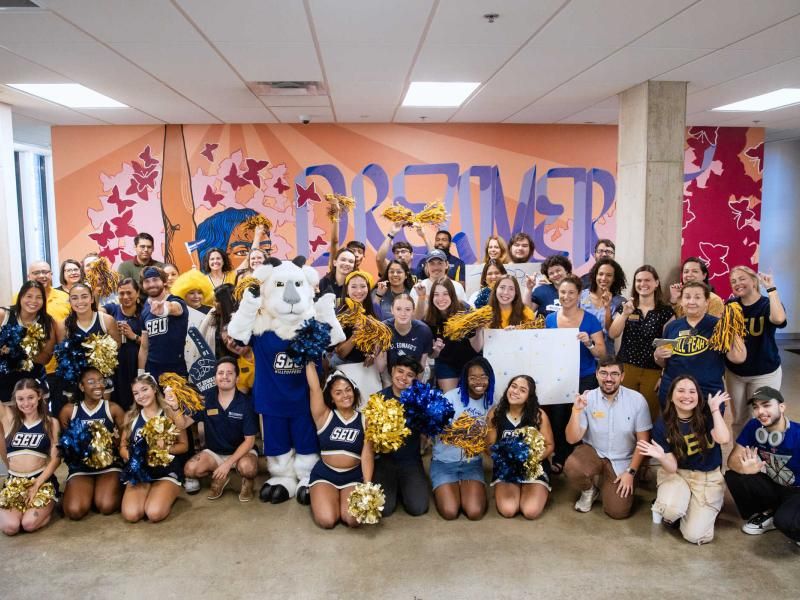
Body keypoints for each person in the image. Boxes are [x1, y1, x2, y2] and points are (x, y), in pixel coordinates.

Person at [638, 376, 729, 544]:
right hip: (678, 475)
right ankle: (675, 506)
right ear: (671, 397)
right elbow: (671, 467)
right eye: (680, 391)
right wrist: (660, 456)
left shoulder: (708, 415)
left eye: (692, 391)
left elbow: (723, 439)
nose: (687, 396)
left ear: (698, 396)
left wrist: (716, 410)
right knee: (671, 511)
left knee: (695, 536)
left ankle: (700, 507)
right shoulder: (662, 425)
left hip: (707, 478)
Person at [564, 359, 651, 519]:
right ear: (597, 374)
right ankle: (590, 490)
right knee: (573, 466)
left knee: (617, 512)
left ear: (622, 376)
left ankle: (610, 483)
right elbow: (571, 439)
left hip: (623, 460)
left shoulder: (637, 400)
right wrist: (576, 411)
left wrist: (630, 473)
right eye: (603, 373)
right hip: (594, 453)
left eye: (614, 374)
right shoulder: (587, 399)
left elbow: (643, 442)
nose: (608, 378)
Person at [167, 358, 258, 502]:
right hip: (215, 453)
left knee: (248, 468)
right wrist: (174, 407)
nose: (225, 376)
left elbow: (250, 441)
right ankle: (219, 477)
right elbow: (183, 424)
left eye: (229, 373)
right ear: (215, 378)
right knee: (190, 470)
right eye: (220, 373)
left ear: (237, 378)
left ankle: (247, 481)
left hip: (241, 453)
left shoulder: (246, 403)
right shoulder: (206, 400)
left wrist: (228, 464)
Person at [545, 275, 606, 472]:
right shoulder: (550, 319)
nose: (567, 296)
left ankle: (582, 460)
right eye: (563, 292)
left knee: (583, 418)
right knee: (558, 418)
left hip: (585, 377)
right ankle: (560, 456)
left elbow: (602, 352)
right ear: (558, 293)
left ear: (580, 295)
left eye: (571, 292)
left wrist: (588, 343)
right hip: (559, 378)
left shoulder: (590, 320)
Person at [724, 387, 800, 545]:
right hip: (775, 485)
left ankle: (783, 516)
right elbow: (732, 461)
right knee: (735, 476)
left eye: (766, 405)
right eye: (756, 407)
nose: (760, 412)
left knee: (786, 523)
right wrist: (745, 468)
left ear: (781, 407)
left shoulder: (798, 435)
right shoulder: (754, 427)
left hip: (797, 491)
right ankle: (769, 513)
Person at [655, 281, 746, 407]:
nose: (691, 301)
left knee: (708, 426)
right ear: (681, 301)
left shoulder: (719, 326)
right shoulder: (671, 327)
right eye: (687, 297)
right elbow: (663, 362)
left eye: (697, 297)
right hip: (674, 390)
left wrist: (732, 327)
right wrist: (658, 355)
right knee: (673, 426)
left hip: (708, 392)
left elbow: (738, 358)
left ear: (707, 302)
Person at [305, 363, 374, 528]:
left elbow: (367, 455)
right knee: (327, 521)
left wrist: (367, 486)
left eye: (348, 390)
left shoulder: (366, 419)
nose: (345, 395)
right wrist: (307, 355)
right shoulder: (323, 415)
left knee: (353, 520)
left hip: (353, 477)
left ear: (354, 390)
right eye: (338, 392)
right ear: (331, 397)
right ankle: (321, 494)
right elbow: (314, 388)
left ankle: (337, 498)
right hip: (325, 476)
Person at [725, 267, 787, 434]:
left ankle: (764, 456)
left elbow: (779, 319)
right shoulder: (731, 306)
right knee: (739, 419)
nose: (737, 283)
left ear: (754, 281)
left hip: (765, 372)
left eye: (742, 279)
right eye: (733, 281)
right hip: (735, 373)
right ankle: (741, 456)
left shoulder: (767, 304)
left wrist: (771, 288)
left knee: (764, 417)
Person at [608, 265, 674, 422]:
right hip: (627, 367)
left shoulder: (666, 312)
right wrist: (625, 314)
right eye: (638, 280)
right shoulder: (626, 307)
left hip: (653, 370)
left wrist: (664, 375)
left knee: (649, 415)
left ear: (656, 283)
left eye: (647, 280)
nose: (642, 284)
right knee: (624, 413)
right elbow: (613, 333)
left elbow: (669, 346)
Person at [120, 374, 189, 523]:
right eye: (136, 393)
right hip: (140, 474)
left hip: (166, 471)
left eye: (144, 389)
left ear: (154, 389)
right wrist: (134, 457)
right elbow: (122, 447)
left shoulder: (169, 412)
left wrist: (162, 451)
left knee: (154, 513)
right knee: (131, 515)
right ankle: (148, 493)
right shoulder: (131, 416)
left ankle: (167, 491)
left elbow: (184, 446)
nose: (141, 396)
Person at [58, 367, 125, 520]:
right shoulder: (69, 411)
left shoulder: (113, 409)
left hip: (109, 467)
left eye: (101, 381)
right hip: (81, 468)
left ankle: (103, 491)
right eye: (91, 382)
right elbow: (64, 445)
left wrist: (113, 441)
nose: (98, 385)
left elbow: (124, 441)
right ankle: (79, 494)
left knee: (106, 506)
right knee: (74, 511)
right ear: (81, 387)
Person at [433, 357, 495, 520]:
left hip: (471, 464)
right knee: (450, 512)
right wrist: (463, 432)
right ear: (465, 379)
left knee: (474, 512)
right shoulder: (450, 398)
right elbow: (435, 431)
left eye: (483, 376)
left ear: (490, 378)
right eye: (472, 377)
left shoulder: (492, 403)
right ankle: (451, 486)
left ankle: (465, 488)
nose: (478, 382)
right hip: (444, 463)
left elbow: (491, 440)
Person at [488, 375, 554, 520]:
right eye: (513, 386)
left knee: (530, 511)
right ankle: (510, 489)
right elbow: (490, 446)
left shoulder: (538, 415)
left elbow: (549, 445)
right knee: (508, 510)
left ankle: (537, 490)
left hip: (533, 468)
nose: (516, 391)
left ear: (529, 397)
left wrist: (528, 460)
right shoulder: (495, 413)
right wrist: (504, 457)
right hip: (507, 470)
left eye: (522, 390)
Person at [0, 379, 61, 536]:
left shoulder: (51, 423)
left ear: (39, 396)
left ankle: (49, 505)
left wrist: (36, 485)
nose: (26, 403)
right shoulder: (9, 419)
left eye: (30, 397)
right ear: (15, 399)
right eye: (21, 399)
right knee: (11, 527)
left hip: (40, 481)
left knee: (28, 524)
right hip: (14, 483)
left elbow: (56, 459)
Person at [373, 356, 428, 516]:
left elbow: (428, 432)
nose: (403, 378)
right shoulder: (378, 399)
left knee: (418, 508)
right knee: (384, 510)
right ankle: (395, 487)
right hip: (385, 462)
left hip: (410, 462)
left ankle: (406, 486)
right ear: (392, 371)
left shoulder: (420, 401)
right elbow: (369, 441)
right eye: (400, 371)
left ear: (415, 379)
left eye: (410, 375)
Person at [25, 261, 70, 414]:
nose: (42, 276)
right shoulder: (20, 298)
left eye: (45, 272)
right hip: (33, 368)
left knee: (61, 411)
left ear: (51, 274)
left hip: (60, 367)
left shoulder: (65, 297)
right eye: (37, 273)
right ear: (28, 276)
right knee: (37, 413)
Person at [0, 281, 55, 404]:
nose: (33, 301)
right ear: (20, 297)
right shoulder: (4, 315)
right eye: (29, 296)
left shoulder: (47, 322)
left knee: (37, 421)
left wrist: (22, 349)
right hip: (4, 383)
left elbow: (45, 358)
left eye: (39, 297)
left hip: (34, 382)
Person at [423, 278, 483, 392]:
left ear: (452, 295)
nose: (441, 299)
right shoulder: (429, 318)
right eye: (436, 294)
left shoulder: (465, 311)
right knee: (450, 398)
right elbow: (432, 356)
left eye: (445, 294)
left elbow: (477, 348)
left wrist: (479, 331)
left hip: (470, 361)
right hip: (446, 363)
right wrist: (436, 350)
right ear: (431, 297)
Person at [138, 267, 189, 379]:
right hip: (153, 368)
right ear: (143, 285)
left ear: (164, 282)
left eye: (155, 279)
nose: (151, 284)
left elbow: (174, 308)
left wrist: (163, 310)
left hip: (176, 368)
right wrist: (141, 372)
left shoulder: (176, 301)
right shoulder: (144, 310)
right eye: (147, 281)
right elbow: (144, 346)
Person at [102, 278, 144, 411]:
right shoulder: (112, 309)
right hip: (116, 365)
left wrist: (133, 336)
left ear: (137, 293)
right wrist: (111, 323)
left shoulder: (144, 312)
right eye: (121, 293)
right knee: (116, 398)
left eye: (129, 293)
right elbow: (97, 311)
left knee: (136, 399)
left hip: (136, 364)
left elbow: (153, 343)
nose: (125, 297)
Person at [377, 293, 432, 379]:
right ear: (392, 310)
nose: (403, 313)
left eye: (407, 309)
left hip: (414, 376)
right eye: (398, 309)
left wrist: (415, 388)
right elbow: (381, 368)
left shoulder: (423, 331)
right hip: (389, 375)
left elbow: (421, 367)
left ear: (413, 311)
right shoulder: (383, 329)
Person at [579, 257, 626, 356]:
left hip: (605, 357)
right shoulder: (581, 296)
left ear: (614, 279)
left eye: (609, 275)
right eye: (600, 274)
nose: (603, 278)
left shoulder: (620, 302)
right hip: (581, 353)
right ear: (595, 275)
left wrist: (607, 307)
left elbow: (611, 333)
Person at [411, 249, 469, 319]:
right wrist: (421, 298)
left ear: (447, 264)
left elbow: (464, 314)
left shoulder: (457, 286)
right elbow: (415, 319)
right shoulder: (418, 288)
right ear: (426, 266)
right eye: (432, 263)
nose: (436, 267)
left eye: (440, 263)